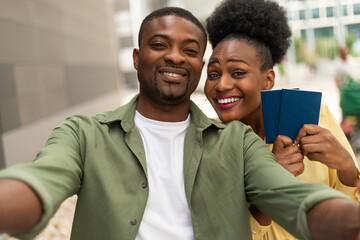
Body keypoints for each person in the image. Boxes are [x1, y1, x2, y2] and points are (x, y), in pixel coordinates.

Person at [0, 6, 360, 240]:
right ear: (137, 58)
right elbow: (41, 180)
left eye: (190, 50)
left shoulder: (235, 142)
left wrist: (347, 179)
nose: (174, 55)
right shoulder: (83, 134)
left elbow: (299, 201)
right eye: (160, 44)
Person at [205, 0, 360, 239]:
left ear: (268, 79)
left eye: (237, 72)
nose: (221, 84)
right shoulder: (208, 142)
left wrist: (347, 167)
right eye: (213, 74)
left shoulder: (314, 115)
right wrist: (271, 185)